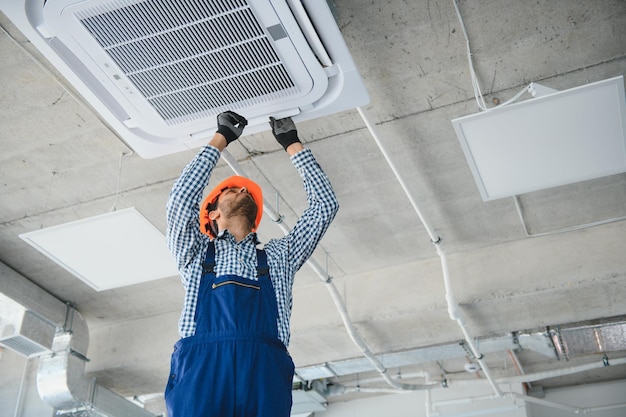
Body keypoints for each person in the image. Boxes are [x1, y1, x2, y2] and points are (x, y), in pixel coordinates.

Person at [164, 111, 339, 417]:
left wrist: (292, 144)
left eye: (245, 190)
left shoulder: (279, 256)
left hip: (261, 370)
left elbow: (325, 206)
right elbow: (180, 201)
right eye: (230, 190)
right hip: (204, 370)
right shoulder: (194, 253)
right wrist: (221, 139)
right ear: (212, 215)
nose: (242, 188)